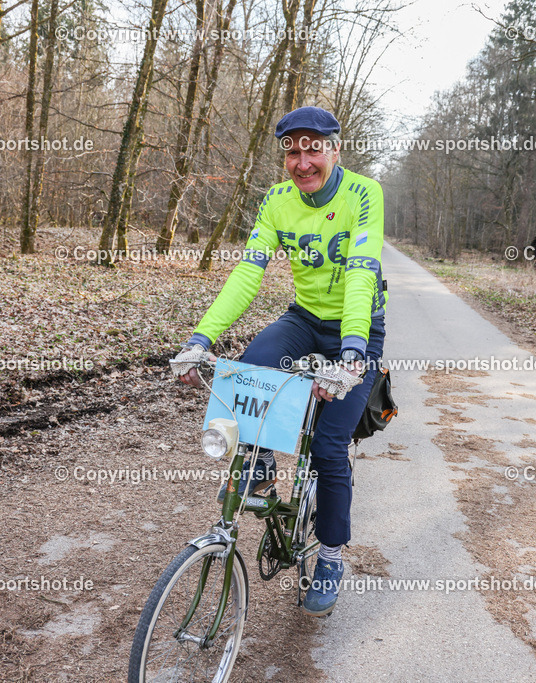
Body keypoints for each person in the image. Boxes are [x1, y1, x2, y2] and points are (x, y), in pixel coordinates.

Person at [171, 105, 387, 617]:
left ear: (335, 149)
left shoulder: (364, 194)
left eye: (315, 147)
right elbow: (248, 275)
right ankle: (262, 462)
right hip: (306, 317)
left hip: (358, 331)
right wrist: (202, 338)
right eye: (293, 150)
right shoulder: (276, 200)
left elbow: (360, 274)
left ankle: (331, 555)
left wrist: (353, 354)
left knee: (330, 449)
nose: (303, 160)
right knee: (254, 363)